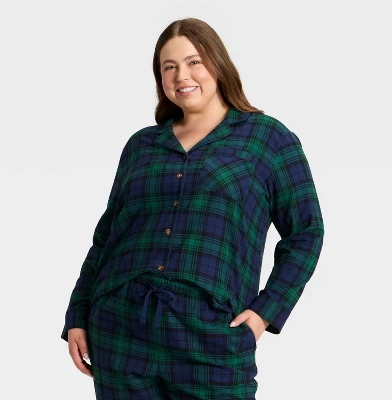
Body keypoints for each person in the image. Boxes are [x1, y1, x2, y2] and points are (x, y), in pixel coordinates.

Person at [61, 17, 325, 400]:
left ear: (217, 63)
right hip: (120, 329)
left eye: (193, 62)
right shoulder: (141, 146)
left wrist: (264, 312)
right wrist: (78, 314)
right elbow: (105, 240)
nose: (181, 75)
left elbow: (306, 233)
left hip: (211, 336)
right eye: (169, 67)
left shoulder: (267, 138)